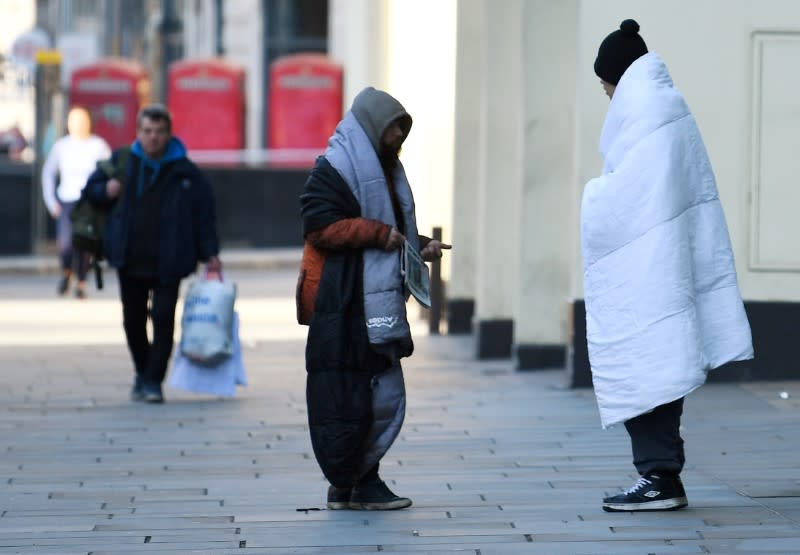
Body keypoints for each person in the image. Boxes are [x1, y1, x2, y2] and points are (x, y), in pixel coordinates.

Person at [581, 19, 754, 512]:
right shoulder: (664, 105)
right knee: (656, 363)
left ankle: (658, 476)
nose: (606, 92)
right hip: (660, 262)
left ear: (619, 75)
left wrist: (594, 196)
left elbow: (632, 194)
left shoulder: (648, 110)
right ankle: (659, 474)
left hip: (650, 268)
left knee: (648, 366)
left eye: (605, 82)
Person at [297, 87, 451, 510]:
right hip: (342, 301)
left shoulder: (384, 168)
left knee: (371, 388)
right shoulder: (334, 168)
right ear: (372, 129)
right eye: (393, 133)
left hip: (367, 300)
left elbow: (390, 227)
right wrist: (380, 235)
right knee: (351, 390)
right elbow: (320, 224)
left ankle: (352, 480)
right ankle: (357, 481)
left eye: (403, 134)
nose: (399, 142)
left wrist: (417, 245)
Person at [83, 104, 221, 403]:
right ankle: (142, 372)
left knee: (162, 318)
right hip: (129, 257)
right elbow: (90, 192)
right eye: (147, 131)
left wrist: (211, 254)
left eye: (159, 132)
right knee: (132, 320)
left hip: (170, 259)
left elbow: (205, 215)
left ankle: (153, 381)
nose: (153, 138)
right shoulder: (122, 162)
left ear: (169, 133)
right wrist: (106, 190)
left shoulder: (186, 171)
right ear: (138, 132)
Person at [41, 106, 111, 299]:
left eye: (82, 120)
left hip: (89, 201)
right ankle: (67, 271)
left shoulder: (99, 146)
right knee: (66, 243)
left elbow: (108, 172)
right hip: (67, 200)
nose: (78, 125)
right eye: (73, 121)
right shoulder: (61, 146)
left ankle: (81, 281)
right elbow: (48, 173)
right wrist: (51, 201)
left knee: (85, 244)